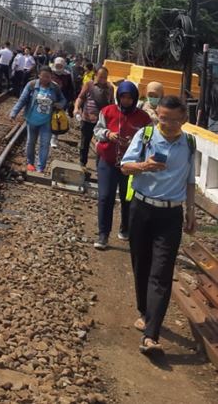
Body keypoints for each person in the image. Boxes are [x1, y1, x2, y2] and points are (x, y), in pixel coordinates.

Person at [121, 96, 197, 354]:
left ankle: (151, 335)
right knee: (141, 265)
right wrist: (144, 166)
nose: (169, 124)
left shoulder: (189, 142)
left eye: (175, 120)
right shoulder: (145, 135)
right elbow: (125, 167)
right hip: (142, 209)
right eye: (164, 118)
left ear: (184, 118)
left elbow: (190, 180)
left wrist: (191, 212)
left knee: (162, 272)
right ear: (158, 115)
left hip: (170, 215)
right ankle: (144, 310)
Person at [92, 81, 152, 249]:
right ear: (118, 97)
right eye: (123, 97)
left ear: (134, 99)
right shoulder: (108, 111)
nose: (126, 101)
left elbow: (150, 138)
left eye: (130, 98)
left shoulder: (143, 118)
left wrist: (137, 143)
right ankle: (103, 235)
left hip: (130, 166)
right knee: (105, 197)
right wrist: (108, 133)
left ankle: (125, 227)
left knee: (128, 198)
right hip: (108, 161)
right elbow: (97, 130)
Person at [10, 66, 67, 173]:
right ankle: (30, 163)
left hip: (47, 121)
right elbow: (22, 100)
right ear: (39, 75)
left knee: (44, 144)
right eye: (43, 76)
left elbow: (63, 99)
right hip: (32, 120)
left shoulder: (55, 88)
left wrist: (60, 104)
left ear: (51, 77)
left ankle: (41, 167)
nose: (45, 79)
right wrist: (14, 112)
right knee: (31, 142)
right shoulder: (31, 85)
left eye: (48, 77)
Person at [74, 67, 114, 168]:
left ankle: (100, 165)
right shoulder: (89, 85)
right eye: (101, 77)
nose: (103, 79)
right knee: (85, 142)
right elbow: (80, 97)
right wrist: (76, 108)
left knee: (102, 144)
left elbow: (112, 103)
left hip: (102, 121)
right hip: (88, 118)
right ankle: (82, 163)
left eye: (105, 77)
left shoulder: (110, 88)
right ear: (96, 75)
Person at [49, 57, 75, 148]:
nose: (59, 67)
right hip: (49, 99)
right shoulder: (50, 72)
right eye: (57, 65)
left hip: (61, 100)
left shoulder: (67, 75)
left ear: (63, 65)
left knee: (56, 119)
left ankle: (54, 138)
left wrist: (69, 101)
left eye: (60, 65)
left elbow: (70, 89)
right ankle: (46, 135)